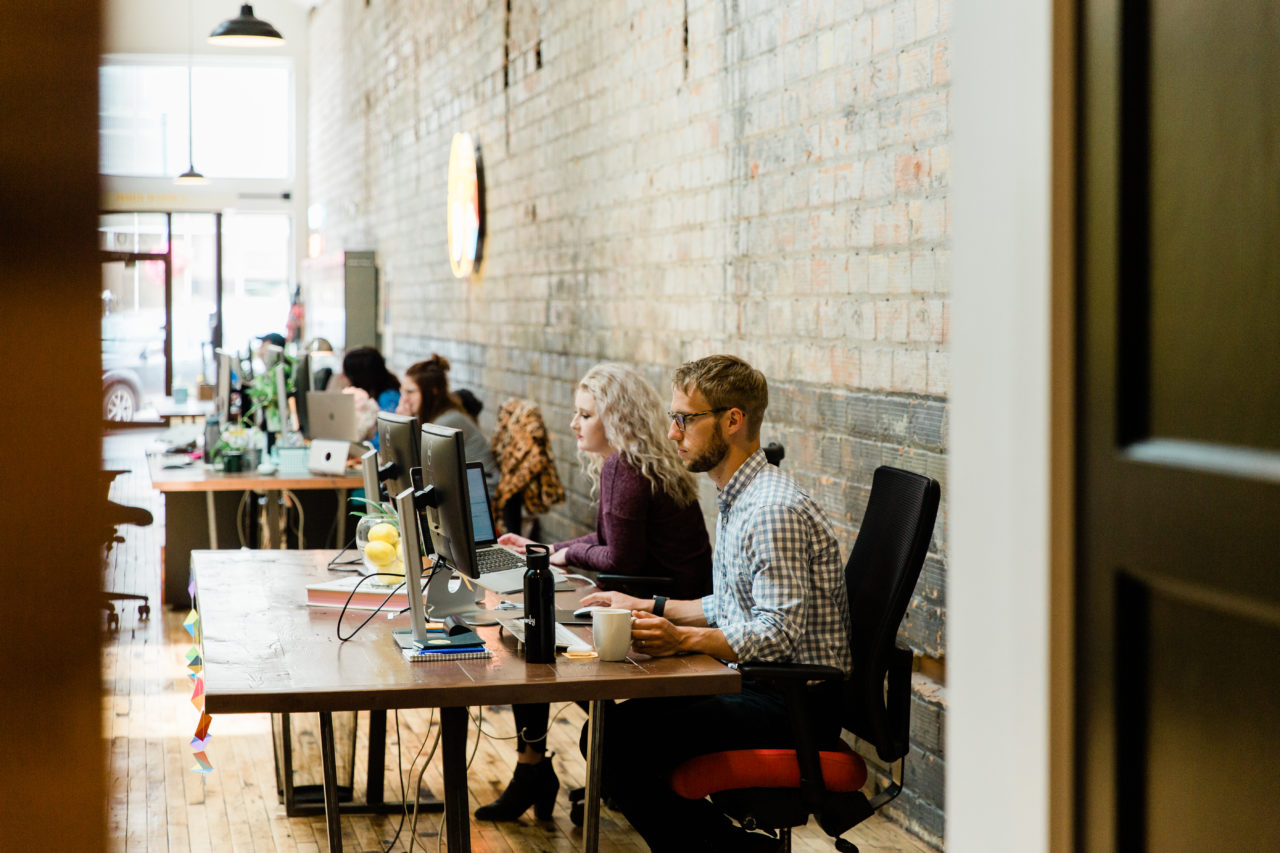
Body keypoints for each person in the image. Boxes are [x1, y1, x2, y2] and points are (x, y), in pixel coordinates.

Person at [576, 354, 850, 852]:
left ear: (732, 420)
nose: (674, 433)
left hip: (791, 703)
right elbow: (730, 604)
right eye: (672, 419)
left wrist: (683, 638)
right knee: (609, 733)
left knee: (617, 744)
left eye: (685, 419)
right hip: (756, 683)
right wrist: (648, 605)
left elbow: (777, 633)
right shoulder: (737, 497)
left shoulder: (770, 509)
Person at [474, 362, 713, 823]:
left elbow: (619, 560)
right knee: (534, 632)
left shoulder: (625, 467)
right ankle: (540, 771)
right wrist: (547, 549)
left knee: (535, 642)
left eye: (585, 415)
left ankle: (539, 771)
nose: (573, 424)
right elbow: (605, 545)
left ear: (617, 419)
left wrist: (561, 557)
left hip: (663, 614)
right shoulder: (636, 460)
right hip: (652, 599)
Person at [396, 354, 498, 493]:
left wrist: (405, 428)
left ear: (432, 391)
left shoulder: (447, 421)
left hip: (481, 494)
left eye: (410, 392)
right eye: (402, 392)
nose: (404, 399)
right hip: (461, 490)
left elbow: (420, 468)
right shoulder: (435, 417)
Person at [341, 346, 400, 442]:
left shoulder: (388, 399)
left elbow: (383, 440)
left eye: (348, 374)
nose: (343, 377)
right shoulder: (375, 394)